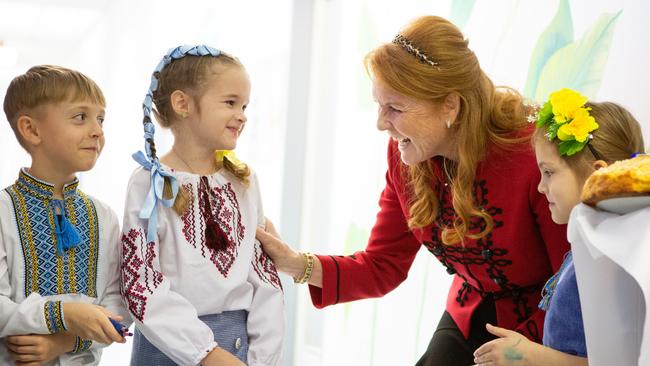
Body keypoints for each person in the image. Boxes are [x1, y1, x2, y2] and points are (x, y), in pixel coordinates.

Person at [255, 16, 569, 365]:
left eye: (395, 108)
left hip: (546, 326)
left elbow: (571, 287)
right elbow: (382, 264)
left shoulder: (532, 156)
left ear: (450, 105)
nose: (379, 123)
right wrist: (296, 263)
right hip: (469, 311)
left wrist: (531, 353)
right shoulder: (405, 155)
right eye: (379, 105)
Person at [121, 45, 284, 366]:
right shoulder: (148, 183)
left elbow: (264, 277)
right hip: (166, 349)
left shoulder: (244, 182)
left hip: (240, 350)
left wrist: (263, 358)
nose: (242, 115)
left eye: (245, 105)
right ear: (182, 103)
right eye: (230, 102)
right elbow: (140, 280)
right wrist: (205, 353)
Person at [472, 88, 645, 365]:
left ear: (596, 174)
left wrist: (527, 355)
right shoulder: (588, 245)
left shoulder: (609, 260)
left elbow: (616, 362)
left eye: (549, 172)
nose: (541, 187)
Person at [0, 65, 128, 365]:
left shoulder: (103, 216)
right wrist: (64, 314)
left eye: (101, 119)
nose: (97, 130)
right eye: (80, 117)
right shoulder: (3, 211)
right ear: (32, 130)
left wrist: (67, 339)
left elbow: (118, 305)